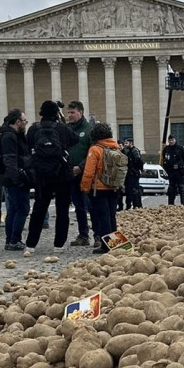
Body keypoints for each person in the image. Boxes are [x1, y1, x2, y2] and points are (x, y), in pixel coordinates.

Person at [25, 101, 78, 251]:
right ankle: (59, 245)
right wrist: (61, 121)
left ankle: (30, 244)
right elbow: (75, 139)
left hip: (42, 175)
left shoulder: (34, 128)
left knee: (39, 209)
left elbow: (29, 147)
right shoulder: (61, 128)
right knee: (62, 211)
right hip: (62, 174)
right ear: (56, 113)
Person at [81, 122, 121, 254]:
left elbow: (88, 172)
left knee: (103, 217)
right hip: (114, 187)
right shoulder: (116, 148)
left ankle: (106, 246)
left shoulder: (95, 149)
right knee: (111, 216)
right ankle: (115, 244)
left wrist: (85, 188)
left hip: (99, 189)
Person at [0, 109, 31, 251]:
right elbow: (10, 159)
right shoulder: (10, 137)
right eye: (24, 121)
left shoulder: (9, 135)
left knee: (13, 210)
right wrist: (18, 179)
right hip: (14, 179)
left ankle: (10, 240)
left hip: (11, 178)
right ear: (18, 122)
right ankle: (14, 240)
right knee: (22, 209)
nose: (25, 123)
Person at [65, 101, 93, 245]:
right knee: (79, 206)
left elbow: (92, 152)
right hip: (71, 174)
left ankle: (100, 236)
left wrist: (80, 167)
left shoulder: (89, 129)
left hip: (86, 173)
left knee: (92, 205)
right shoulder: (66, 129)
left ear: (80, 113)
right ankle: (83, 235)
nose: (69, 115)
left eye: (72, 112)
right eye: (68, 112)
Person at [161, 135, 184, 205]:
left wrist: (181, 167)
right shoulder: (166, 149)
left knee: (181, 187)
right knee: (171, 189)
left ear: (175, 140)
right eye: (169, 140)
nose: (171, 141)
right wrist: (167, 169)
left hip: (179, 172)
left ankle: (183, 204)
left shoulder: (180, 148)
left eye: (172, 140)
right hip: (171, 172)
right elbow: (164, 159)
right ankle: (171, 204)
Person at [121, 137, 144, 209]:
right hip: (129, 174)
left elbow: (139, 162)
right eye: (124, 143)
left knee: (135, 191)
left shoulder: (135, 151)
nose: (125, 144)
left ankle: (137, 205)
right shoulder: (128, 151)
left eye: (126, 143)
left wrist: (137, 170)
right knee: (129, 191)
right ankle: (129, 205)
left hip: (134, 174)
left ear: (131, 143)